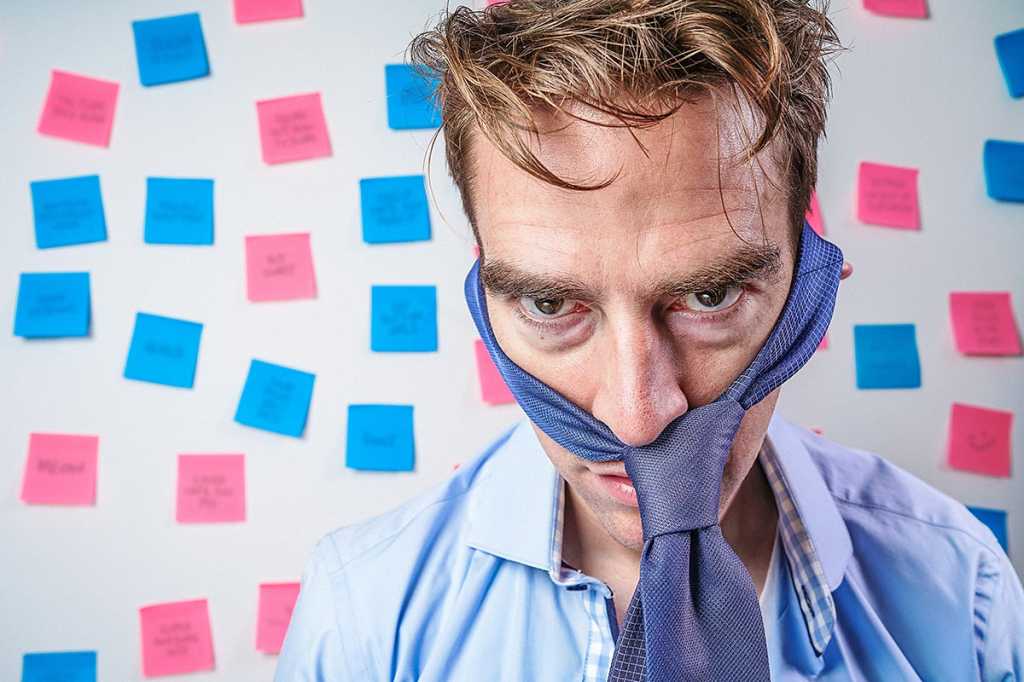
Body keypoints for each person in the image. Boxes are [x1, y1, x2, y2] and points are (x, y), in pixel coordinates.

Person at [275, 1, 1024, 679]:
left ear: (812, 286)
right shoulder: (364, 619)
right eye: (548, 301)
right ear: (485, 295)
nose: (637, 418)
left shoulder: (963, 591)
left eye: (710, 294)